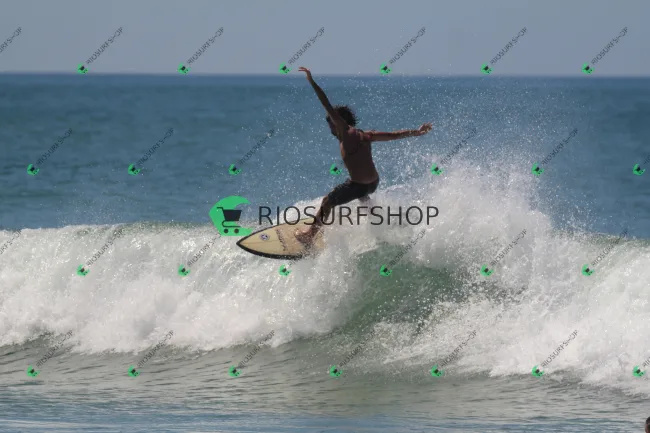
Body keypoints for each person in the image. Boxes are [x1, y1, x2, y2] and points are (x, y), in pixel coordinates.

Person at [294, 66, 432, 244]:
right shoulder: (367, 135)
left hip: (359, 185)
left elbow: (325, 103)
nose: (331, 130)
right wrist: (417, 132)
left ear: (337, 122)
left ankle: (309, 236)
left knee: (328, 201)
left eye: (331, 125)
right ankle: (381, 221)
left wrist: (311, 81)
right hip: (373, 183)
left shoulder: (344, 132)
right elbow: (394, 135)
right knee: (361, 194)